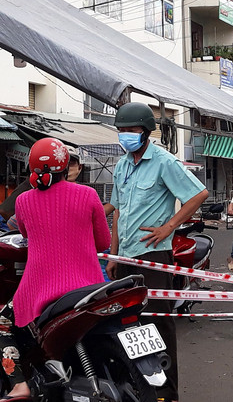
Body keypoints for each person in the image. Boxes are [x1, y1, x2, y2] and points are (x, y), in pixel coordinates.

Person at [105, 102, 208, 402]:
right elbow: (118, 212)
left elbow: (198, 193)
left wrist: (170, 227)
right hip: (125, 258)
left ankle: (166, 394)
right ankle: (136, 388)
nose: (125, 135)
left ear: (146, 132)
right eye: (121, 131)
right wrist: (113, 254)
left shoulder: (164, 161)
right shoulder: (122, 165)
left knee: (158, 325)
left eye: (131, 130)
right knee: (128, 326)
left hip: (153, 257)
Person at [0, 137, 110, 401]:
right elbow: (104, 242)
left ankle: (19, 385)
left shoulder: (24, 201)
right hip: (88, 285)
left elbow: (24, 233)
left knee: (3, 322)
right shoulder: (89, 194)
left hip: (40, 288)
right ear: (66, 167)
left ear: (32, 168)